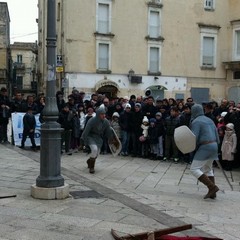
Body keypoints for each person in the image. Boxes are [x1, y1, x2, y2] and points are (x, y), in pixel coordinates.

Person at [190, 104, 220, 199]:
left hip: (205, 146)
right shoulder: (209, 119)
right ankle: (213, 193)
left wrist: (192, 147)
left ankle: (212, 187)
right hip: (214, 145)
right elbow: (217, 134)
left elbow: (194, 137)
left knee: (194, 169)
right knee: (208, 168)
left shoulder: (196, 121)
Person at [81, 104, 116, 174]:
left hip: (98, 138)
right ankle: (92, 167)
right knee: (94, 149)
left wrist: (111, 138)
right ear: (98, 114)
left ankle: (89, 161)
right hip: (90, 136)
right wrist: (83, 142)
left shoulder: (106, 122)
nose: (104, 115)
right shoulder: (92, 120)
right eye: (102, 114)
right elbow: (86, 131)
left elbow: (108, 131)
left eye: (104, 114)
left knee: (97, 153)